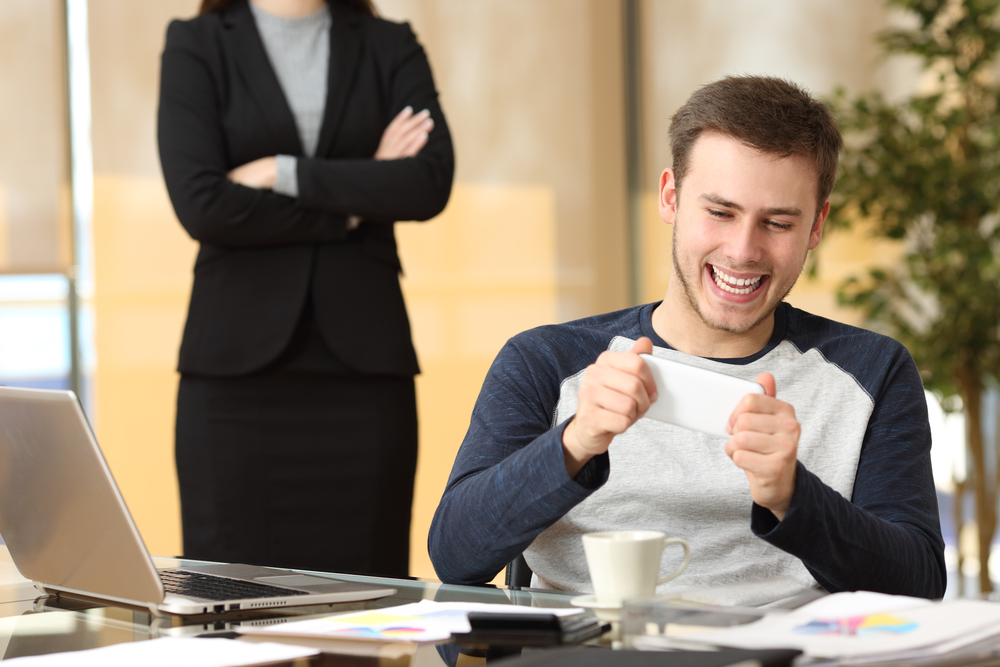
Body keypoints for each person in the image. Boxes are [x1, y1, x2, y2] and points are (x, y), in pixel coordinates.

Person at [428, 76, 945, 601]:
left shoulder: (874, 371)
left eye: (778, 223)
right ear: (671, 197)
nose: (743, 250)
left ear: (816, 226)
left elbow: (918, 583)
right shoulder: (544, 360)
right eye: (720, 212)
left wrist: (793, 496)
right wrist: (576, 441)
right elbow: (455, 556)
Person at [158, 0, 453, 577]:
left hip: (364, 375)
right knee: (232, 616)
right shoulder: (197, 43)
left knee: (362, 614)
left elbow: (426, 182)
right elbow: (204, 205)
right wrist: (356, 199)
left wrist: (279, 171)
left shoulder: (388, 43)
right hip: (234, 386)